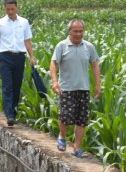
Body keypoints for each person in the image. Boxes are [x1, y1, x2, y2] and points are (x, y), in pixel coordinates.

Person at [50, 19, 101, 158]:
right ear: (69, 31)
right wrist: (54, 81)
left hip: (83, 87)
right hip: (66, 87)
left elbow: (95, 65)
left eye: (81, 31)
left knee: (82, 119)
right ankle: (62, 136)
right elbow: (53, 63)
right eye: (75, 31)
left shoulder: (89, 47)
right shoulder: (62, 46)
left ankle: (77, 148)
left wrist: (98, 85)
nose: (78, 34)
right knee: (65, 115)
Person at [0, 0, 35, 126]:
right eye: (8, 9)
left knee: (16, 86)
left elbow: (27, 40)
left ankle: (13, 112)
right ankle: (9, 114)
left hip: (19, 57)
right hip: (4, 57)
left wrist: (31, 56)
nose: (10, 11)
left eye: (12, 9)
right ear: (5, 8)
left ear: (17, 8)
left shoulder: (24, 22)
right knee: (7, 85)